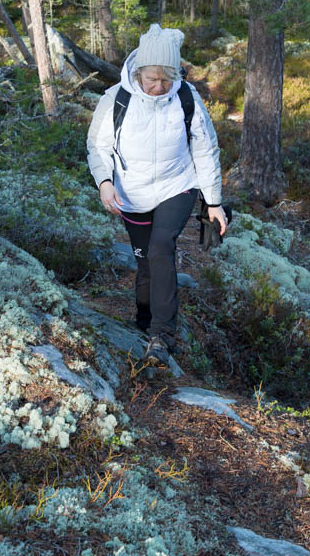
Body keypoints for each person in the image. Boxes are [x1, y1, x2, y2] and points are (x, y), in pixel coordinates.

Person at [86, 23, 228, 366]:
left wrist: (213, 202)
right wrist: (105, 182)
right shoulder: (115, 99)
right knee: (145, 262)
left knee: (162, 247)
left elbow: (206, 150)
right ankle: (145, 322)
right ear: (138, 71)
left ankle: (162, 336)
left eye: (166, 78)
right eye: (152, 78)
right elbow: (97, 145)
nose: (158, 86)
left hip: (176, 186)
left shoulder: (185, 98)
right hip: (130, 194)